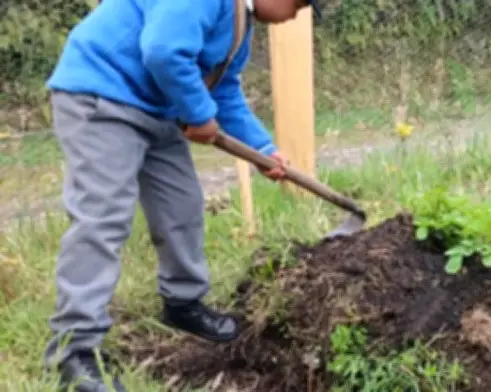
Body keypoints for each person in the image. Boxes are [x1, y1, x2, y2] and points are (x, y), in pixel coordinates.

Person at [42, 0, 321, 391]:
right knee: (102, 220)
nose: (297, 14)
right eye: (300, 3)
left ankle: (182, 303)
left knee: (182, 208)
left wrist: (262, 150)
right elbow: (163, 49)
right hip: (101, 94)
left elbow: (224, 93)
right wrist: (196, 112)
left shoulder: (240, 28)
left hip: (156, 111)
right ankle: (74, 350)